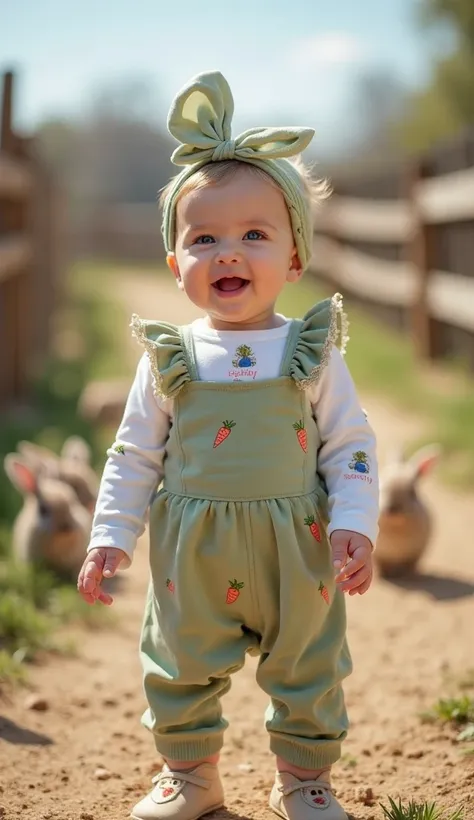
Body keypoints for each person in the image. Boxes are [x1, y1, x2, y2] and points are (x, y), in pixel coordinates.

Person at [77, 70, 379, 820]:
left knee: (308, 664)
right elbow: (134, 454)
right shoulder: (169, 358)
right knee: (180, 661)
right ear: (177, 265)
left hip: (297, 543)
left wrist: (355, 521)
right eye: (203, 238)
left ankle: (304, 781)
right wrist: (111, 534)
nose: (228, 253)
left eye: (255, 235)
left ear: (296, 258)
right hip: (193, 549)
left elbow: (350, 444)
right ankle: (191, 776)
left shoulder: (309, 351)